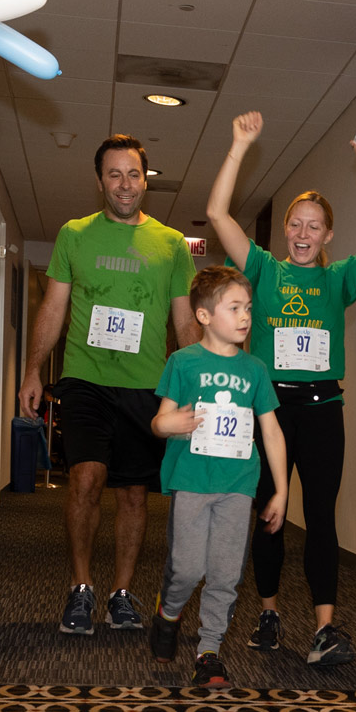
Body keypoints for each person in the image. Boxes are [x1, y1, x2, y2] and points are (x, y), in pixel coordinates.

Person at [206, 111, 356, 667]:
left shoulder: (339, 277)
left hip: (323, 408)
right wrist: (239, 145)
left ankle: (324, 629)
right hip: (269, 409)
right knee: (271, 513)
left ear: (327, 235)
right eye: (295, 224)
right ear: (286, 231)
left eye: (313, 226)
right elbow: (216, 213)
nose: (302, 233)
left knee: (321, 515)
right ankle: (269, 614)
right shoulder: (264, 271)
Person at [18, 133, 199, 636]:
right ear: (100, 181)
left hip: (145, 386)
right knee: (86, 477)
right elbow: (53, 308)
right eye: (114, 174)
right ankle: (81, 587)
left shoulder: (170, 245)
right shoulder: (75, 234)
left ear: (146, 180)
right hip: (85, 378)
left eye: (134, 174)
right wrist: (34, 370)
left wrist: (199, 383)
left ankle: (121, 592)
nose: (125, 184)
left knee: (136, 494)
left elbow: (185, 323)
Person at [149, 265, 288, 687]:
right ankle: (168, 612)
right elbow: (159, 421)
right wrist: (168, 424)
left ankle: (208, 652)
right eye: (234, 308)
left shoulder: (256, 370)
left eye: (247, 307)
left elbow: (271, 430)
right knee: (188, 569)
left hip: (237, 486)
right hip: (191, 481)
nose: (245, 316)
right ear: (205, 316)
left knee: (227, 574)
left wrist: (280, 490)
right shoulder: (182, 362)